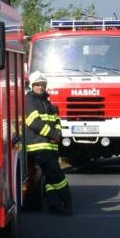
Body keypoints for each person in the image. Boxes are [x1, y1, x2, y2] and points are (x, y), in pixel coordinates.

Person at [24, 71, 72, 215]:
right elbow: (33, 122)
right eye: (37, 84)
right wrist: (53, 134)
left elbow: (56, 121)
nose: (40, 87)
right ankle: (67, 203)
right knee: (57, 176)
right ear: (31, 86)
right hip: (38, 147)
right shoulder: (29, 101)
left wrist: (58, 133)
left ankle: (54, 205)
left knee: (50, 178)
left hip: (50, 147)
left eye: (42, 84)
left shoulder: (47, 102)